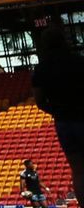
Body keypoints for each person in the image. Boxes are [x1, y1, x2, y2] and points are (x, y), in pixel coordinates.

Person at [34, 24, 84, 200]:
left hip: (63, 122)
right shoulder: (79, 61)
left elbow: (39, 101)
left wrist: (56, 111)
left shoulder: (42, 68)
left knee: (78, 170)